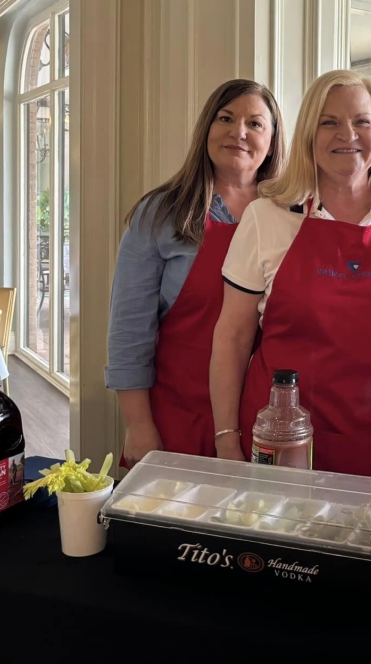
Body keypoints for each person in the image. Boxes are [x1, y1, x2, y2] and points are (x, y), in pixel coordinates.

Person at [210, 70, 371, 483]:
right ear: (309, 133)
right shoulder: (267, 217)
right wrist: (227, 438)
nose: (347, 134)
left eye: (362, 121)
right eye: (329, 122)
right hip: (282, 440)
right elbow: (232, 337)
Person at [106, 80, 286, 467]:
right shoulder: (161, 213)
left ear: (272, 142)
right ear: (206, 128)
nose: (239, 132)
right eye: (226, 118)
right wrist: (138, 424)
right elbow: (129, 331)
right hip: (177, 416)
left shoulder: (291, 217)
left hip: (266, 423)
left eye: (255, 124)